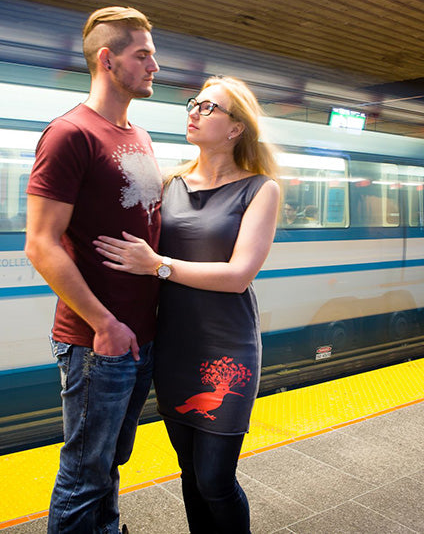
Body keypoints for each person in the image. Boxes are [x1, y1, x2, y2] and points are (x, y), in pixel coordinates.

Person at [94, 76, 281, 533]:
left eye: (208, 107)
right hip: (174, 346)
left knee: (216, 477)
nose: (193, 112)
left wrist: (157, 265)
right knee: (191, 472)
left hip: (227, 346)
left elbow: (239, 276)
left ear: (236, 128)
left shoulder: (260, 190)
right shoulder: (168, 182)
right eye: (193, 104)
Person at [24, 6, 162, 534]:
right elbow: (40, 243)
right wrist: (105, 324)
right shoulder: (69, 134)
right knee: (84, 473)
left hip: (139, 337)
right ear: (108, 60)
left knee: (107, 463)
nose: (156, 66)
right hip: (97, 342)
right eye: (143, 55)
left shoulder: (139, 135)